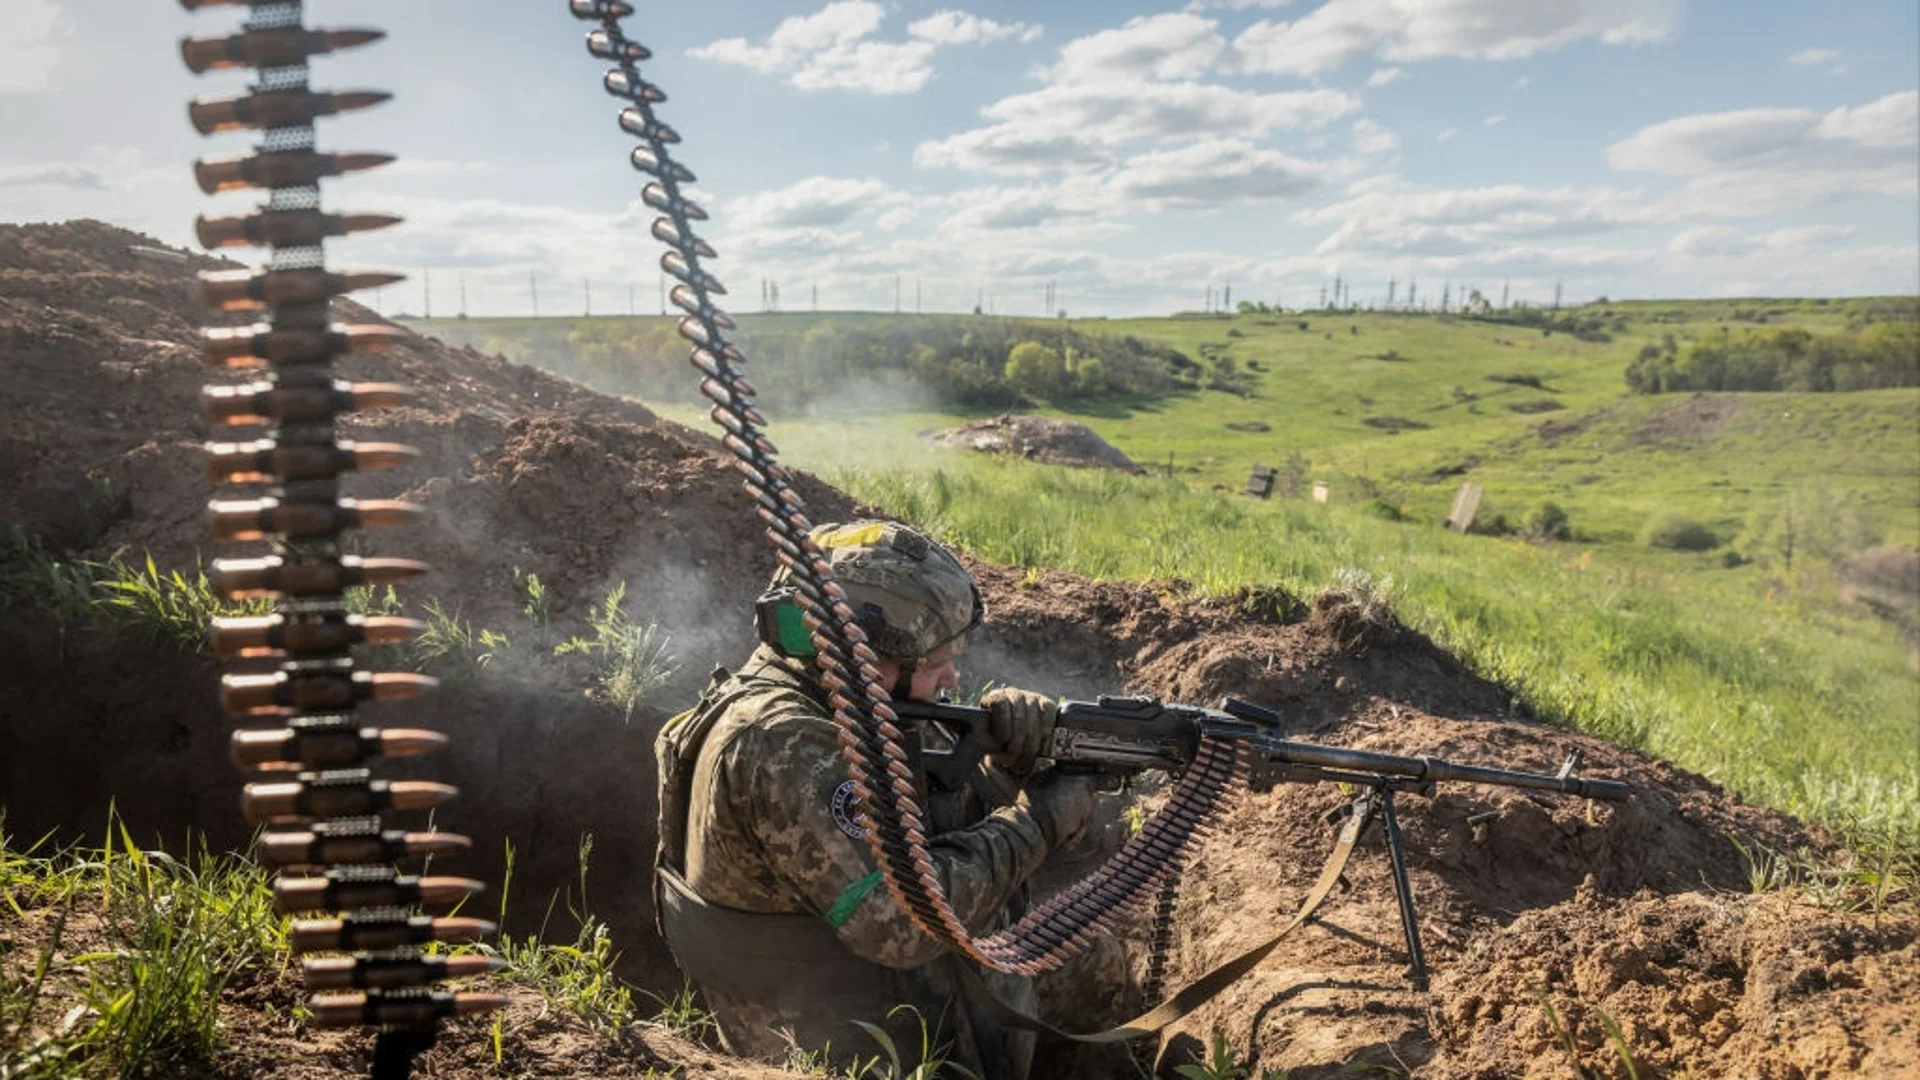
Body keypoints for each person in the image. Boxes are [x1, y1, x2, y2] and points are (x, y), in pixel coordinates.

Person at [653, 520, 1127, 1078]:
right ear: (861, 655)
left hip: (840, 987)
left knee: (1087, 953)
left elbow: (913, 838)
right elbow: (901, 926)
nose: (952, 675)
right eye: (933, 662)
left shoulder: (819, 702)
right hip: (832, 1040)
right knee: (1081, 962)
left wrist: (1002, 770)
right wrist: (1036, 824)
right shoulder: (788, 747)